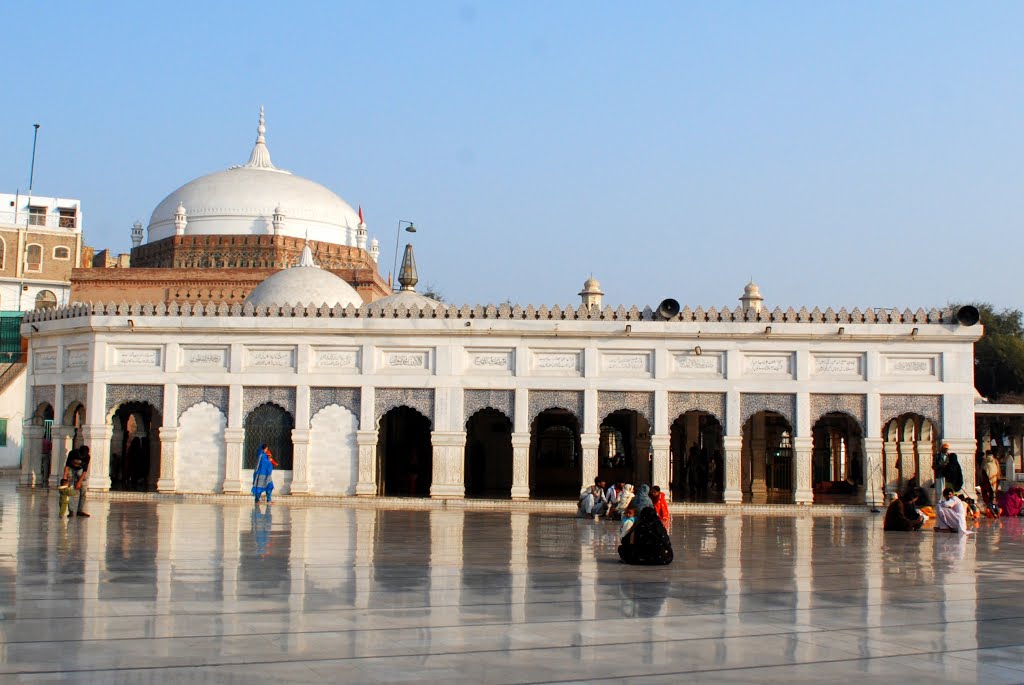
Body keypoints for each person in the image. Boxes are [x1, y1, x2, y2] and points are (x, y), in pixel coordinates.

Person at [63, 446, 90, 518]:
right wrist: (65, 478)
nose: (82, 457)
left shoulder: (87, 457)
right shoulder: (72, 453)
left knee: (83, 490)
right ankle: (71, 511)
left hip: (80, 470)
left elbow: (84, 471)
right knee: (70, 490)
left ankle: (80, 511)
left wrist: (79, 482)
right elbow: (67, 466)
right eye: (81, 455)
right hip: (71, 469)